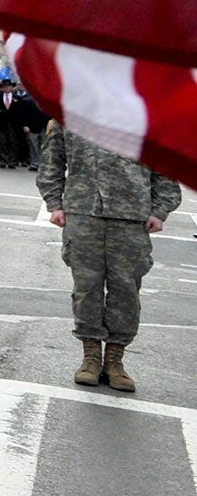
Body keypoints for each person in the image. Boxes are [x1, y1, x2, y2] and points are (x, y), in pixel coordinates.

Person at [38, 126, 181, 394]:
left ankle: (115, 360)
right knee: (86, 288)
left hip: (132, 218)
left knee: (126, 290)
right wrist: (54, 204)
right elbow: (52, 162)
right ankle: (91, 357)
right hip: (83, 213)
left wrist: (160, 210)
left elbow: (165, 167)